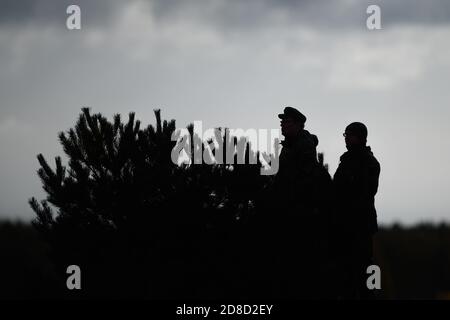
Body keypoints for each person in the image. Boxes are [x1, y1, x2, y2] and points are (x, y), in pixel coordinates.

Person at [333, 122, 380, 299]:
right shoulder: (347, 160)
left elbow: (364, 193)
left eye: (349, 135)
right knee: (347, 273)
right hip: (346, 226)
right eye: (345, 135)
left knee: (365, 270)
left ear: (360, 137)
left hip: (360, 226)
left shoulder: (369, 162)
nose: (346, 139)